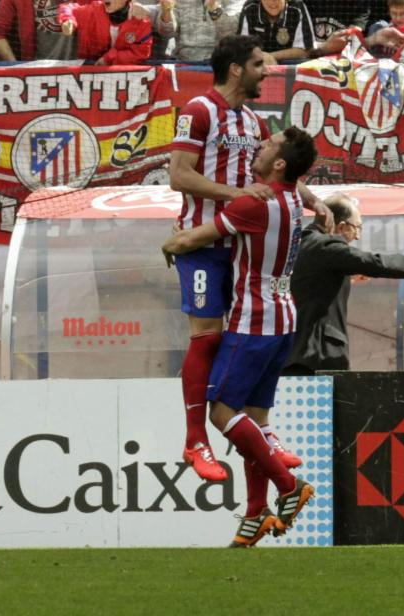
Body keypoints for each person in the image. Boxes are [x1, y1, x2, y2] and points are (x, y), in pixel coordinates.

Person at [169, 34, 330, 482]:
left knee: (241, 346)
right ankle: (195, 440)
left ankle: (260, 442)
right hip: (203, 244)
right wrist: (234, 194)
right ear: (237, 68)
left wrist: (317, 201)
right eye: (260, 63)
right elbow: (178, 177)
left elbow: (281, 179)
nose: (267, 70)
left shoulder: (253, 122)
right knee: (206, 337)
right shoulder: (198, 111)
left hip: (240, 248)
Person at [162, 127, 319, 548]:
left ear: (280, 163)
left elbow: (194, 238)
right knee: (254, 420)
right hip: (284, 318)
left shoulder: (255, 204)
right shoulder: (290, 202)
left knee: (221, 414)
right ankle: (254, 515)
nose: (260, 147)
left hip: (252, 322)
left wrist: (172, 242)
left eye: (269, 146)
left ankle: (288, 486)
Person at [283, 192, 404, 375]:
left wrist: (347, 277)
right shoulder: (325, 246)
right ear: (342, 227)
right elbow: (372, 262)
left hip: (290, 352)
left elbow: (308, 281)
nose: (358, 236)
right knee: (324, 403)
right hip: (316, 356)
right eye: (357, 228)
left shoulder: (301, 244)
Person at [58, 0, 153, 65]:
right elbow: (67, 7)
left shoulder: (140, 20)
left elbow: (141, 53)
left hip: (126, 78)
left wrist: (108, 58)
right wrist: (67, 19)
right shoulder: (92, 11)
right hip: (89, 72)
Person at [236, 0, 316, 60]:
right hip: (257, 65)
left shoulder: (297, 8)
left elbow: (306, 49)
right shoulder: (250, 7)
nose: (272, 2)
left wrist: (271, 57)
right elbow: (241, 48)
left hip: (289, 66)